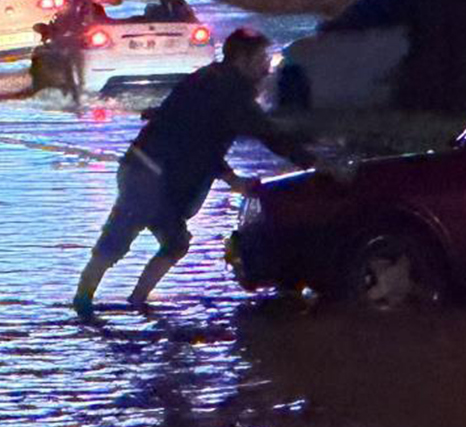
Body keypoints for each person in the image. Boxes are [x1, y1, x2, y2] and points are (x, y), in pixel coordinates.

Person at [72, 28, 314, 316]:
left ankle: (134, 302)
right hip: (148, 173)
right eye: (262, 58)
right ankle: (84, 303)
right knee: (119, 239)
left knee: (175, 242)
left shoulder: (211, 79)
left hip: (150, 171)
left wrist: (232, 179)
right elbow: (265, 133)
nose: (267, 66)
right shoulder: (228, 90)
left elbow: (202, 141)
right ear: (242, 59)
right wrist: (313, 162)